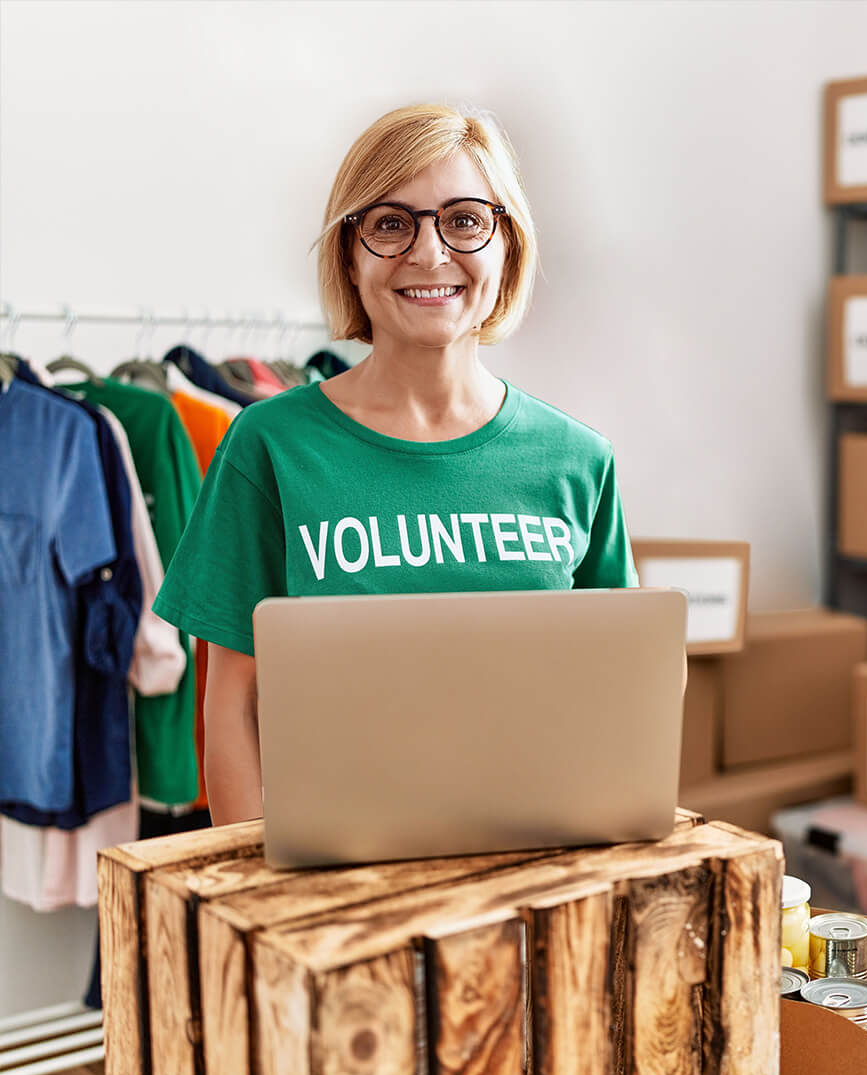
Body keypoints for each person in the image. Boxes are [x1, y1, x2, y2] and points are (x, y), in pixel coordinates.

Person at [153, 105, 638, 826]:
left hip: (533, 866)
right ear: (349, 255)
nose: (430, 254)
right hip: (332, 888)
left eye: (465, 220)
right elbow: (231, 705)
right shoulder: (270, 445)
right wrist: (261, 905)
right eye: (390, 223)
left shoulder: (577, 459)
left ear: (508, 245)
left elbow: (628, 690)